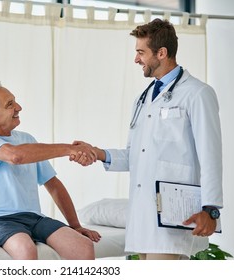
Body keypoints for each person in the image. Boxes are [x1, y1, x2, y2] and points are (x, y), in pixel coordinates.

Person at [72, 18, 223, 260]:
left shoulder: (197, 93)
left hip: (174, 216)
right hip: (143, 217)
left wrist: (211, 210)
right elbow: (136, 155)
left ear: (161, 53)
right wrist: (98, 153)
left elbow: (211, 155)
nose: (136, 59)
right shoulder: (143, 98)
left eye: (141, 52)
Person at [0, 81, 101, 260]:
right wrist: (70, 149)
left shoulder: (27, 139)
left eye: (15, 101)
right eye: (10, 105)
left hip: (32, 218)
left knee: (82, 246)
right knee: (25, 248)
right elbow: (15, 156)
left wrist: (75, 225)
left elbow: (52, 184)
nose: (18, 107)